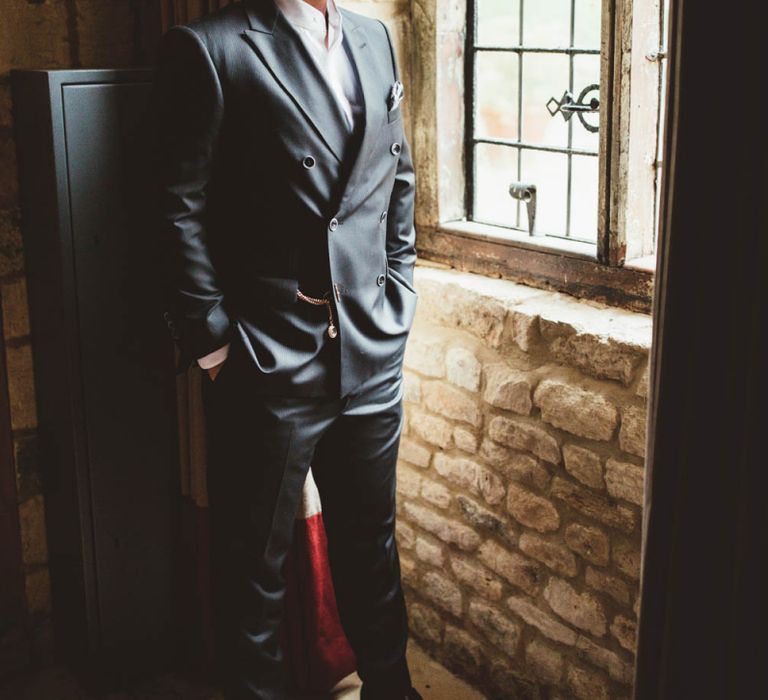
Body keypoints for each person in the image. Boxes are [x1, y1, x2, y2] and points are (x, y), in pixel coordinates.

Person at [150, 0, 421, 698]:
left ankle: (393, 690)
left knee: (372, 552)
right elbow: (178, 204)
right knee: (254, 575)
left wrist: (398, 294)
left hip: (368, 349)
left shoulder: (373, 36)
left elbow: (398, 178)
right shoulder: (210, 47)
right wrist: (214, 344)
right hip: (267, 357)